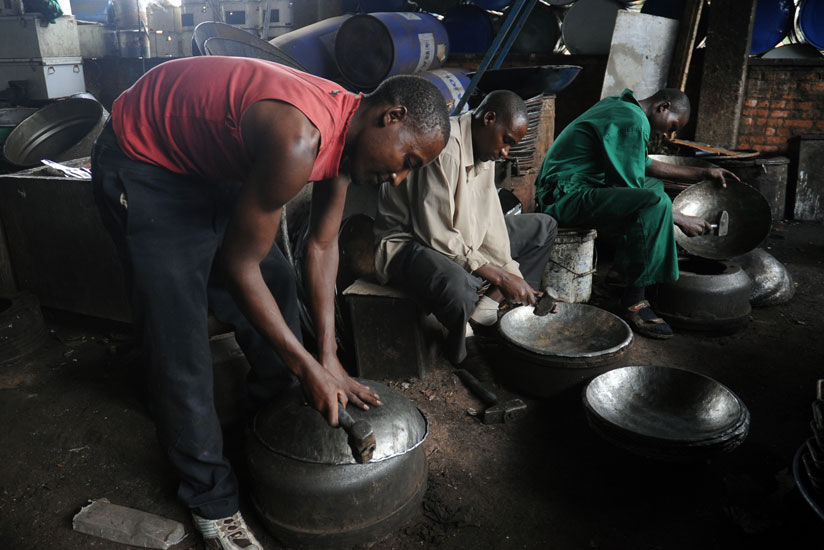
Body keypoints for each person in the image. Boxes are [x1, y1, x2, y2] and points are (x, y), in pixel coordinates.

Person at [91, 56, 450, 550]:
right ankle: (211, 500)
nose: (399, 178)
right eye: (408, 161)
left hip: (203, 161)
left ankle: (265, 433)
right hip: (144, 163)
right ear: (392, 116)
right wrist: (307, 369)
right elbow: (241, 269)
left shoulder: (350, 134)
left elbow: (322, 248)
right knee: (180, 342)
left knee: (279, 290)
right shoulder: (297, 139)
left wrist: (326, 358)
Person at [535, 88, 740, 339]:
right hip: (563, 197)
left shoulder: (623, 106)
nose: (666, 134)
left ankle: (623, 271)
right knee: (653, 201)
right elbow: (632, 193)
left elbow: (642, 165)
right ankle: (635, 300)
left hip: (571, 187)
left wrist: (702, 173)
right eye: (672, 126)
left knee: (653, 189)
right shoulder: (632, 121)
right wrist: (680, 219)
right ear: (663, 107)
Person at [374, 90, 558, 365]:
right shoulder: (446, 149)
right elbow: (436, 235)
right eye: (506, 141)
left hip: (458, 236)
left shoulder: (484, 149)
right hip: (412, 241)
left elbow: (491, 220)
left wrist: (510, 271)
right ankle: (464, 349)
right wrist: (500, 277)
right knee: (459, 285)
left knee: (543, 227)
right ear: (489, 118)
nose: (505, 152)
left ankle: (486, 308)